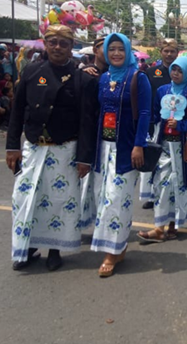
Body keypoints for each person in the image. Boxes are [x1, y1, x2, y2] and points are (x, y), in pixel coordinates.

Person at [6, 25, 98, 271]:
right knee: (26, 199)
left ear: (71, 47)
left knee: (59, 201)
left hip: (65, 150)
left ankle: (55, 249)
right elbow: (16, 111)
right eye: (53, 42)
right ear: (45, 44)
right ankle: (27, 247)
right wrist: (12, 146)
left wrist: (84, 159)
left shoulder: (81, 78)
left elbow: (86, 122)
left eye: (64, 43)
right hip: (34, 148)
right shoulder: (31, 71)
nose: (58, 47)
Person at [91, 33, 151, 277]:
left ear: (128, 52)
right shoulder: (103, 78)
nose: (116, 53)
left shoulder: (138, 77)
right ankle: (117, 243)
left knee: (117, 199)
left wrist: (139, 144)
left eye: (120, 49)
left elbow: (145, 113)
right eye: (112, 49)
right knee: (101, 197)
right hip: (103, 148)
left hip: (126, 149)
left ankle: (113, 251)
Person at [137, 57, 187, 241]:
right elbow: (152, 114)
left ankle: (174, 224)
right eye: (173, 69)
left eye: (180, 70)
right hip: (164, 146)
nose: (175, 73)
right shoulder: (162, 91)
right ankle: (159, 228)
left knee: (180, 187)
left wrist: (181, 124)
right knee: (161, 185)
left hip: (183, 150)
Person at [141, 39, 179, 210]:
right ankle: (151, 194)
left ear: (177, 53)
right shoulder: (151, 72)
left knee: (169, 162)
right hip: (154, 122)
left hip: (175, 123)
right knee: (152, 158)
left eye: (172, 51)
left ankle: (171, 194)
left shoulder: (182, 72)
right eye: (166, 51)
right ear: (161, 52)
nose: (169, 54)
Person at [79, 37, 108, 230]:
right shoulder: (86, 74)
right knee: (84, 182)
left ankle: (102, 224)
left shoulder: (119, 74)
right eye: (104, 47)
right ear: (95, 50)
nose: (108, 51)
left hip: (109, 136)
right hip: (88, 133)